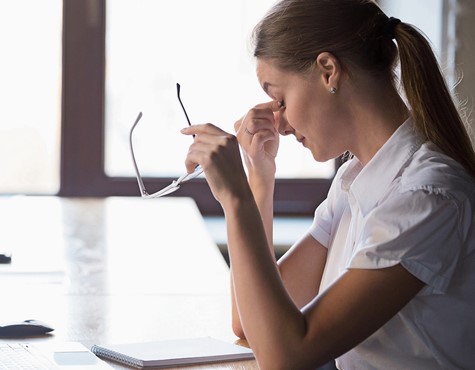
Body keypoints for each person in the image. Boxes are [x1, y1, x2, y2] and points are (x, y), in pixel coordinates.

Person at [180, 0, 475, 368]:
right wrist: (259, 178)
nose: (280, 124)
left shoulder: (425, 198)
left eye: (281, 100)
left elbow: (286, 354)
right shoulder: (354, 182)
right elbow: (248, 321)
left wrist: (235, 199)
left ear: (328, 71)